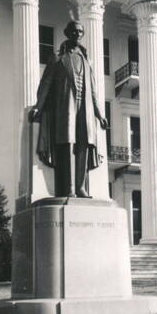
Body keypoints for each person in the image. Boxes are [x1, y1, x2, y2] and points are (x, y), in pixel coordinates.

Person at [29, 20, 107, 198]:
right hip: (66, 108)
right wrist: (38, 107)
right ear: (67, 33)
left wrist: (99, 114)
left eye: (80, 32)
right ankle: (69, 188)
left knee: (83, 146)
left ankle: (80, 187)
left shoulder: (86, 60)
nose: (77, 34)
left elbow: (93, 90)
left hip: (85, 109)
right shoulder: (57, 58)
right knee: (68, 145)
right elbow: (46, 83)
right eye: (74, 31)